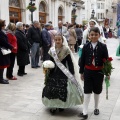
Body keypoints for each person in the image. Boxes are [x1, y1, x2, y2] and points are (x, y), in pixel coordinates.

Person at [42, 33, 83, 115]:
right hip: (53, 71)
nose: (57, 41)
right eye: (56, 40)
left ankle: (61, 105)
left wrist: (72, 73)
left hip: (64, 72)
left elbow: (70, 62)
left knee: (63, 88)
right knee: (52, 88)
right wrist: (47, 68)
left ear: (62, 40)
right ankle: (53, 106)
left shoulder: (66, 49)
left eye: (59, 39)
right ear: (54, 40)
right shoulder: (51, 50)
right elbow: (50, 61)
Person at [79, 27, 109, 119]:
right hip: (88, 71)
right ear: (89, 36)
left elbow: (106, 60)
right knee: (87, 91)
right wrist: (81, 72)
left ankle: (96, 108)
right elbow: (82, 60)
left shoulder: (103, 46)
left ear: (99, 35)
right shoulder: (85, 46)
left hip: (99, 72)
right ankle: (84, 111)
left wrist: (107, 73)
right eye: (92, 34)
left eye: (96, 34)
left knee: (97, 90)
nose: (94, 36)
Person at [0, 19, 14, 84]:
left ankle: (1, 78)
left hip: (2, 50)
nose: (5, 26)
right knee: (1, 65)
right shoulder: (0, 33)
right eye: (4, 25)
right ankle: (0, 79)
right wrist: (11, 46)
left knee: (2, 66)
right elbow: (3, 42)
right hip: (1, 51)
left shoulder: (2, 31)